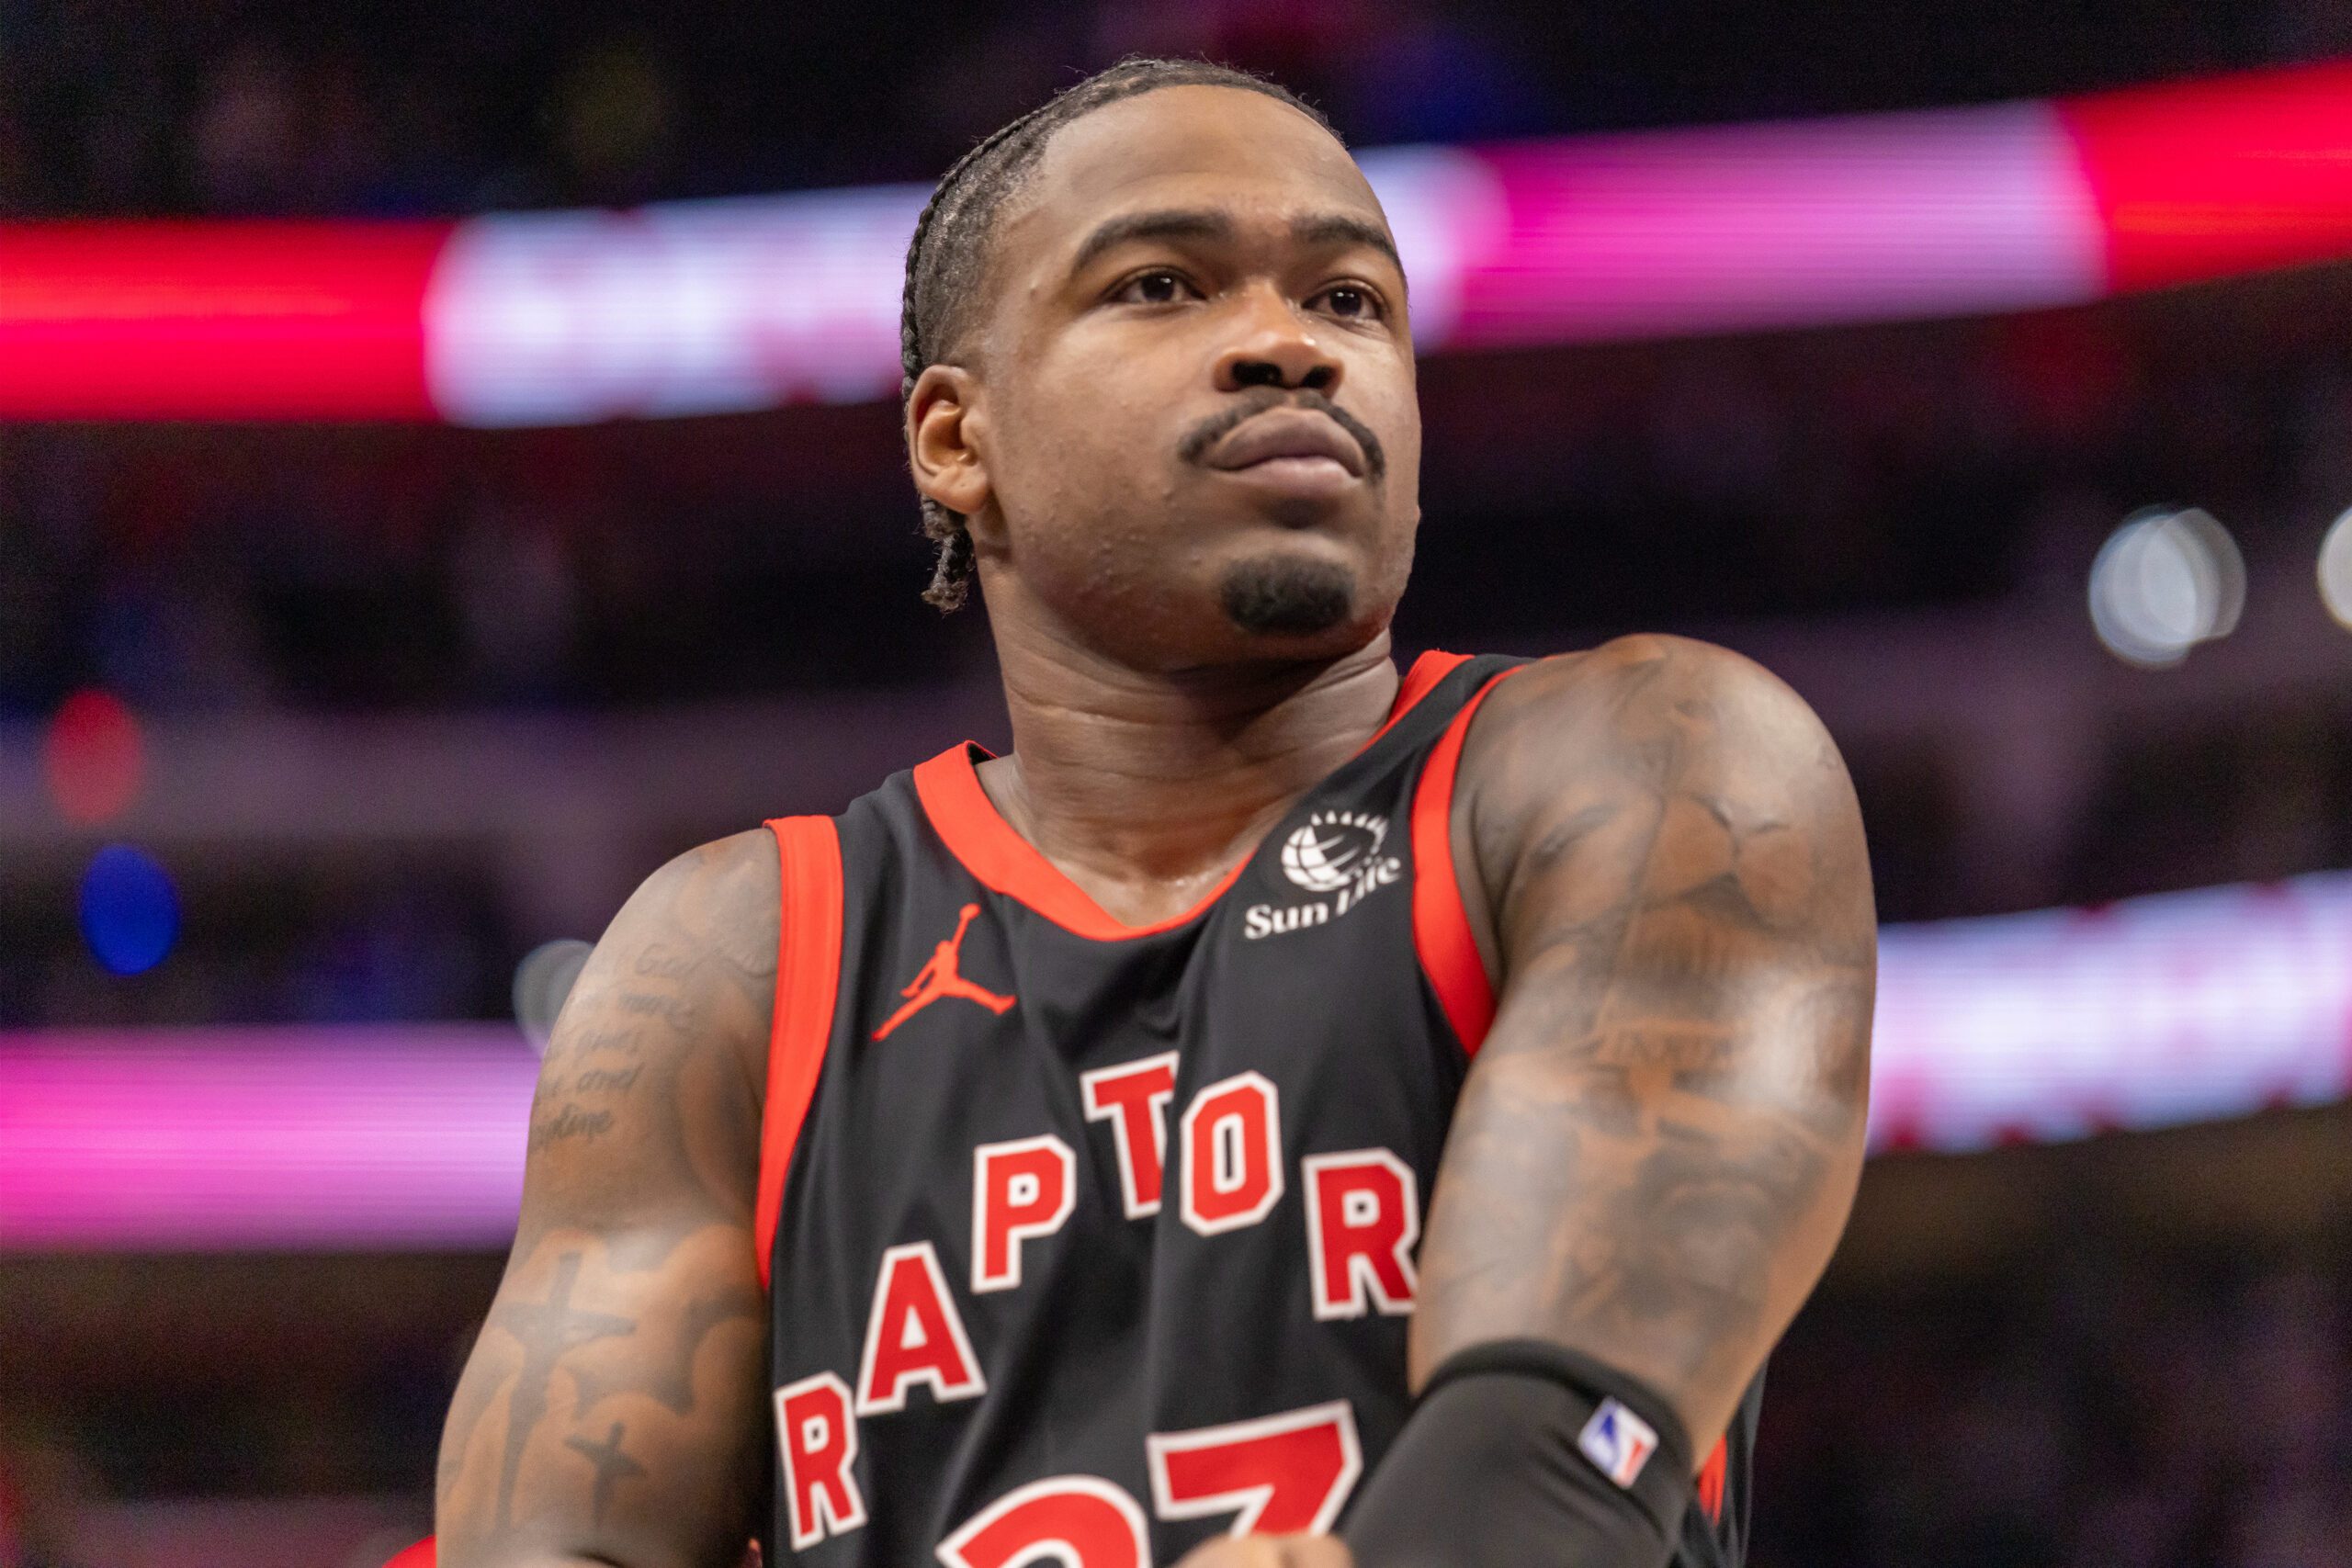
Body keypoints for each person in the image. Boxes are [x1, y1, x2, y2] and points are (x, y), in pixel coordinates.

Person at [432, 56, 1875, 1568]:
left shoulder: (1652, 765)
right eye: (1164, 285)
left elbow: (1562, 1454)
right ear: (956, 440)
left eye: (1350, 301)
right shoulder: (734, 964)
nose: (1288, 346)